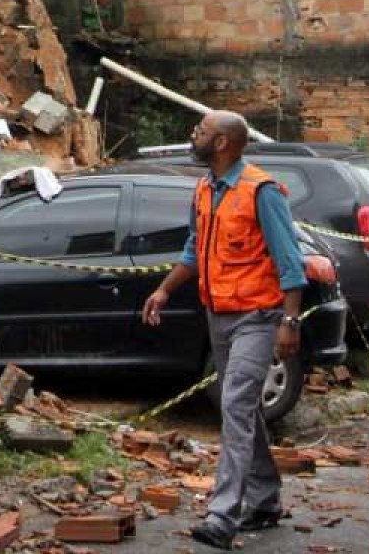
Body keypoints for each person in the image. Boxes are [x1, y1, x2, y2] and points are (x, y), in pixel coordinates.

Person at [142, 111, 308, 549]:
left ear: (222, 144)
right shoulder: (205, 188)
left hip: (258, 315)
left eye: (200, 131)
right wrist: (163, 291)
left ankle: (222, 514)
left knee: (234, 402)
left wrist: (289, 321)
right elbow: (195, 249)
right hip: (220, 314)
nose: (192, 135)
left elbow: (289, 260)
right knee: (243, 408)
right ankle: (266, 499)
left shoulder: (261, 191)